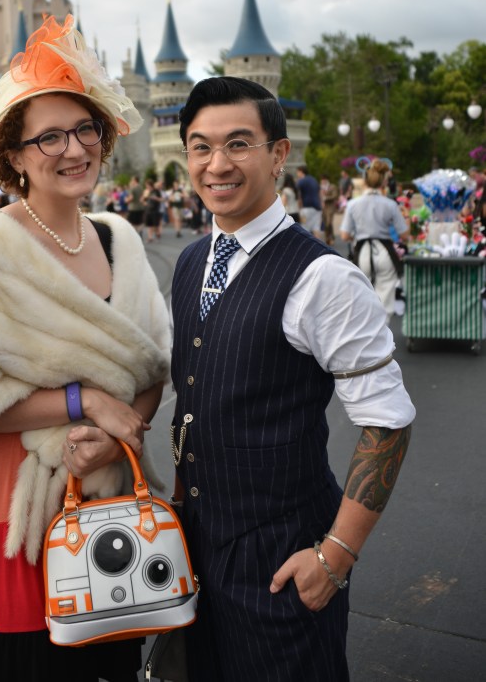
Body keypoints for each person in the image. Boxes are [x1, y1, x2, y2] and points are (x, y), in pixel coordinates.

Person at [0, 15, 171, 682]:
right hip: (9, 519)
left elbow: (151, 369)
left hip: (101, 507)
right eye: (49, 136)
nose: (73, 148)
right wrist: (85, 403)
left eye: (85, 129)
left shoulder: (119, 240)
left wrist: (116, 434)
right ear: (15, 154)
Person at [169, 77, 415, 682]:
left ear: (279, 154)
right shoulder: (192, 261)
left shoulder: (324, 278)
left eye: (238, 144)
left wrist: (335, 556)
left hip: (283, 558)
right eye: (201, 147)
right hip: (196, 551)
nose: (216, 164)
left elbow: (387, 421)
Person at [340, 159, 410, 323]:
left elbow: (344, 235)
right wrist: (407, 218)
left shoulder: (353, 204)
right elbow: (404, 235)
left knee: (362, 297)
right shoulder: (390, 204)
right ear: (383, 181)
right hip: (385, 252)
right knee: (385, 302)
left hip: (362, 252)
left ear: (365, 181)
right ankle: (383, 333)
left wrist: (356, 236)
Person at [296, 163, 323, 238]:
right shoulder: (314, 179)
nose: (297, 174)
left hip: (306, 208)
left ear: (301, 171)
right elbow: (320, 193)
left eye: (297, 172)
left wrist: (299, 207)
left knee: (305, 229)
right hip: (317, 208)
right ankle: (318, 245)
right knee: (316, 229)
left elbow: (298, 195)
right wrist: (321, 204)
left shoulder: (301, 181)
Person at [319, 174, 339, 246]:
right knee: (325, 224)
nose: (322, 181)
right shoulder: (320, 187)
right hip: (323, 208)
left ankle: (330, 238)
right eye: (322, 180)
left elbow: (335, 195)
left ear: (326, 180)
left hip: (330, 207)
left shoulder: (332, 186)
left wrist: (326, 198)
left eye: (323, 180)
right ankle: (328, 238)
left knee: (329, 223)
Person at [142, 178, 163, 242]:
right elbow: (142, 200)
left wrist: (156, 198)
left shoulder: (156, 191)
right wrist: (145, 203)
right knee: (149, 225)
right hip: (148, 210)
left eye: (147, 185)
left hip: (155, 210)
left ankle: (157, 233)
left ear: (150, 185)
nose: (146, 186)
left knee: (155, 225)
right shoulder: (146, 191)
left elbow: (161, 199)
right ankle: (150, 237)